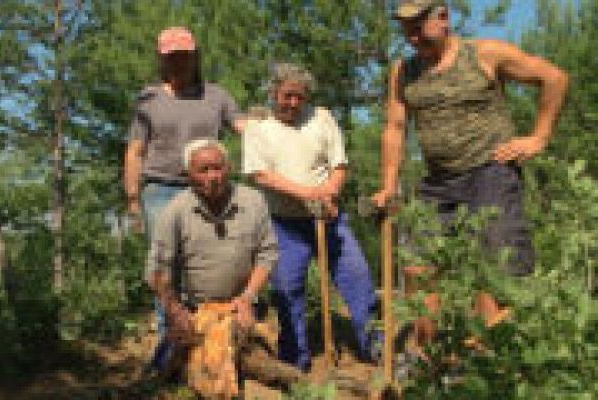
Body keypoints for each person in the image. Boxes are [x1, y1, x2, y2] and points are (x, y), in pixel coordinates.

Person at [373, 0, 569, 357]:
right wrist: (389, 184)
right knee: (419, 268)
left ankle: (495, 360)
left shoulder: (485, 54)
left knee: (498, 269)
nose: (412, 35)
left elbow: (553, 77)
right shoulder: (404, 71)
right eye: (406, 28)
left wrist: (539, 137)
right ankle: (427, 362)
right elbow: (395, 128)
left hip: (490, 173)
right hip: (437, 181)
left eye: (419, 25)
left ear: (443, 17)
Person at [123, 26, 246, 370]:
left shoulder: (216, 95)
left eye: (184, 56)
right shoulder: (148, 99)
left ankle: (209, 343)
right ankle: (170, 350)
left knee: (206, 264)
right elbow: (135, 151)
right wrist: (133, 199)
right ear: (163, 59)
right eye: (172, 56)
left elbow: (243, 126)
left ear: (195, 56)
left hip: (207, 190)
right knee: (166, 267)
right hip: (159, 189)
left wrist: (273, 123)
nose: (179, 62)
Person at [243, 63, 379, 372]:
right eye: (287, 95)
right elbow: (261, 175)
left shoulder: (322, 118)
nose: (293, 103)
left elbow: (339, 164)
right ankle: (295, 361)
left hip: (330, 219)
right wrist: (308, 194)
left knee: (358, 278)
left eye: (299, 97)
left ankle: (376, 346)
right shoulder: (258, 127)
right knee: (288, 290)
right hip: (283, 224)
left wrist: (330, 192)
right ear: (273, 93)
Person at [146, 139, 278, 396]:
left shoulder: (253, 201)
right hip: (196, 310)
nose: (213, 177)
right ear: (188, 175)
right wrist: (175, 311)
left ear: (228, 168)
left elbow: (268, 254)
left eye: (218, 168)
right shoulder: (175, 211)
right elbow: (157, 269)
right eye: (203, 170)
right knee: (161, 373)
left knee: (260, 365)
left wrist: (248, 298)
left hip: (244, 304)